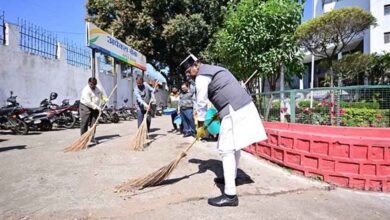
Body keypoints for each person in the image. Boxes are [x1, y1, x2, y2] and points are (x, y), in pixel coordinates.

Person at [179, 54, 267, 207]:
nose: (188, 75)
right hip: (240, 107)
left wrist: (200, 126)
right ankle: (231, 178)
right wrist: (220, 112)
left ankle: (230, 195)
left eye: (188, 71)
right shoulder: (214, 69)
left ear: (195, 65)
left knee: (226, 149)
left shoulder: (201, 77)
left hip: (235, 109)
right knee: (234, 146)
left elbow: (201, 103)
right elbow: (223, 92)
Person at [79, 77, 107, 144]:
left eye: (94, 84)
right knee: (84, 123)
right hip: (85, 106)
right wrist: (97, 107)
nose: (93, 86)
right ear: (89, 83)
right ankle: (83, 139)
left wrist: (105, 99)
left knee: (94, 123)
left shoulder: (98, 88)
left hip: (95, 106)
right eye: (92, 84)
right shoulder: (86, 90)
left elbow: (101, 95)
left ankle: (92, 138)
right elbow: (88, 102)